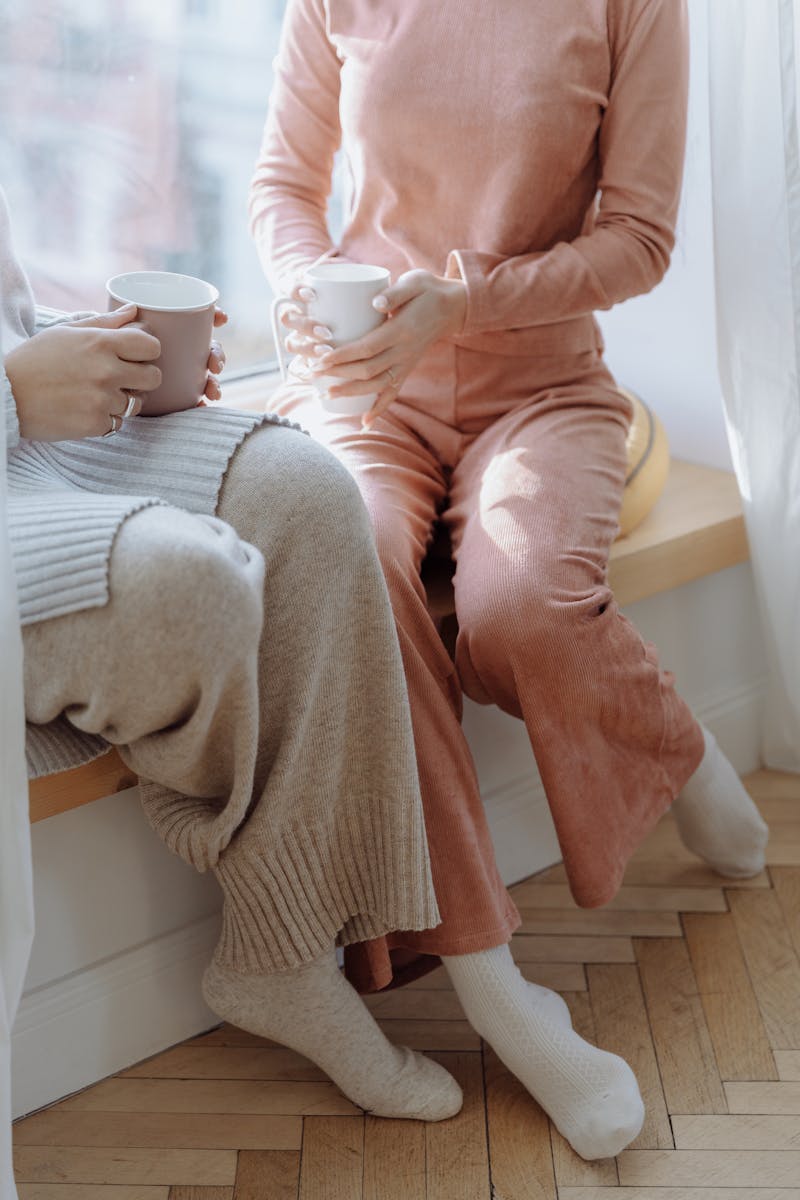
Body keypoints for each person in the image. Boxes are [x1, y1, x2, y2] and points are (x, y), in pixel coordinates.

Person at [249, 0, 770, 1159]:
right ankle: (501, 997)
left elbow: (638, 238)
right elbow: (282, 183)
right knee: (355, 576)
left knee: (519, 611)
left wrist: (466, 299)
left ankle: (674, 745)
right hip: (363, 391)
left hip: (540, 389)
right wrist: (302, 283)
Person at [2, 186, 464, 1123]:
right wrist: (14, 394)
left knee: (311, 492)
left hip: (33, 449)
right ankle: (287, 944)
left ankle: (277, 956)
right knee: (191, 595)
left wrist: (93, 351)